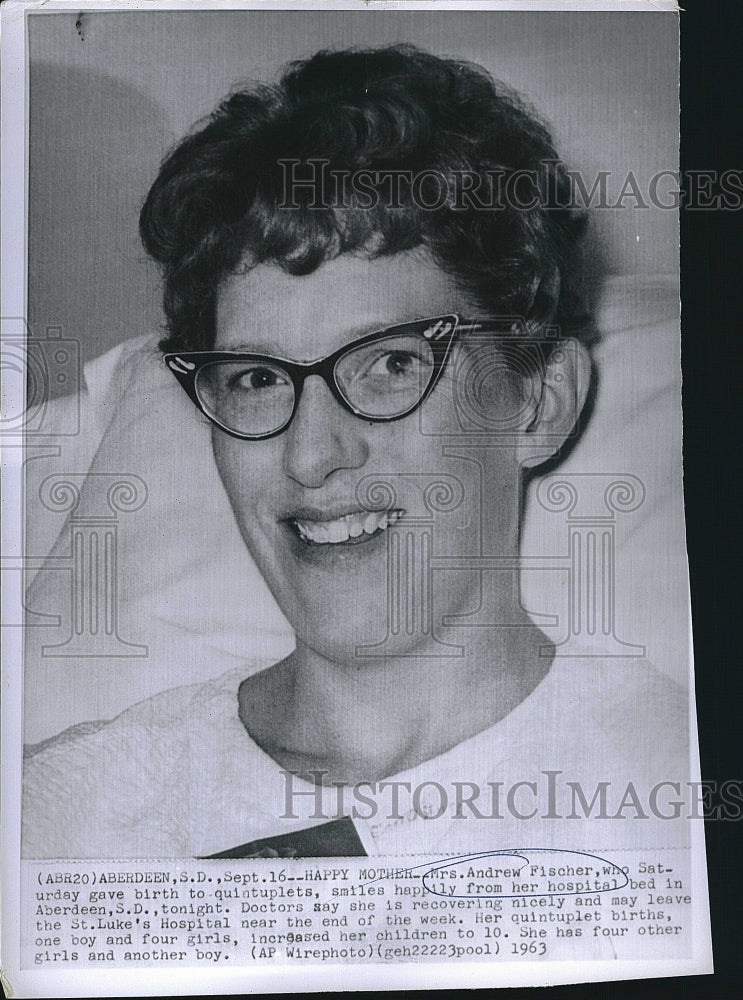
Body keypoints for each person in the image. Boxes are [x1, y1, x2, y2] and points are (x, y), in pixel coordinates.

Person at [23, 45, 688, 859]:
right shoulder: (66, 816)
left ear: (537, 403)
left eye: (391, 364)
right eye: (259, 377)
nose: (310, 456)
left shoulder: (672, 786)